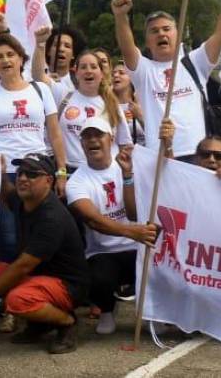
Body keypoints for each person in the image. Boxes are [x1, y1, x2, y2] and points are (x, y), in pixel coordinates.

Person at [0, 152, 87, 355]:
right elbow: (5, 192)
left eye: (31, 174)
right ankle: (39, 324)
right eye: (21, 172)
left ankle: (67, 322)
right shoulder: (25, 199)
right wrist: (0, 171)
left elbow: (24, 265)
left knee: (16, 299)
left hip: (67, 286)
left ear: (49, 181)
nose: (23, 178)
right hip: (39, 278)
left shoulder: (52, 217)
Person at [111, 0, 221, 162]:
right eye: (154, 31)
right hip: (160, 157)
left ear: (177, 35)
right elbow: (127, 48)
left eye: (166, 29)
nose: (161, 34)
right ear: (147, 41)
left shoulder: (195, 61)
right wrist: (120, 16)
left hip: (200, 154)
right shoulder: (144, 71)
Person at [0, 33, 67, 268]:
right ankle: (5, 296)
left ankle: (37, 289)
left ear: (20, 58)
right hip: (2, 175)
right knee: (8, 237)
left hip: (38, 171)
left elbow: (55, 134)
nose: (5, 60)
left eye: (10, 54)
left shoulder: (40, 90)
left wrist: (61, 172)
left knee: (40, 233)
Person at [64, 118, 158, 335]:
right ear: (81, 144)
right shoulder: (76, 181)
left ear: (111, 139)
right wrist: (131, 232)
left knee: (161, 264)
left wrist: (127, 176)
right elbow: (94, 220)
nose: (93, 140)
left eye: (98, 135)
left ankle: (152, 312)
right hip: (104, 250)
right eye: (87, 137)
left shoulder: (130, 165)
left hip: (137, 245)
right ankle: (106, 310)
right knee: (98, 278)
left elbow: (134, 214)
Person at [50, 48, 133, 170]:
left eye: (93, 67)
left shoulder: (112, 104)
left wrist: (123, 174)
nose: (88, 71)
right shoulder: (63, 96)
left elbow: (124, 144)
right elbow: (38, 76)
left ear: (101, 74)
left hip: (105, 173)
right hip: (71, 171)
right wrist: (41, 45)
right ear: (76, 72)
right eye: (83, 67)